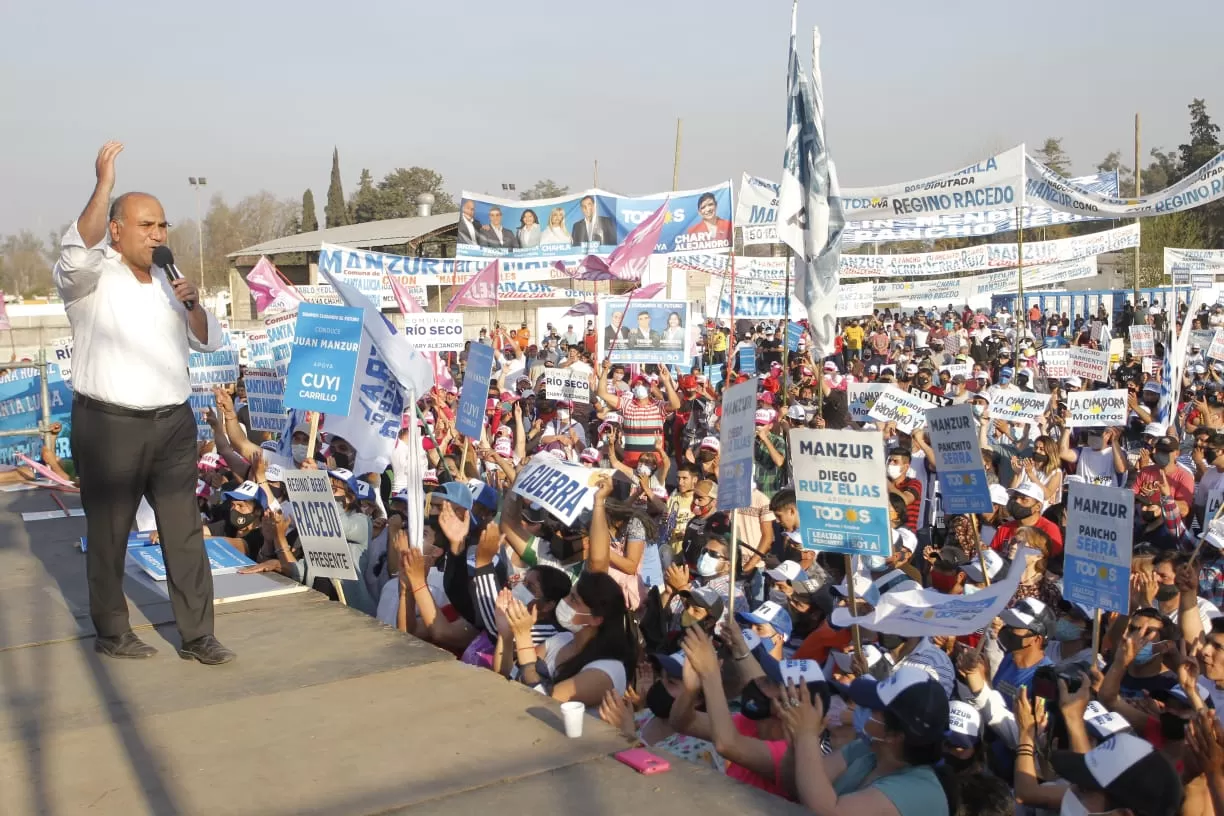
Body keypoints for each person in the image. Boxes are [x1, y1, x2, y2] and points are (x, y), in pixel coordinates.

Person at [55, 142, 233, 664]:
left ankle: (198, 635)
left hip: (172, 424)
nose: (158, 235)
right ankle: (112, 631)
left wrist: (194, 304)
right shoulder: (89, 277)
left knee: (183, 533)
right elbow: (74, 250)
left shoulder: (168, 279)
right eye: (147, 225)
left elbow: (209, 340)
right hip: (110, 424)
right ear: (117, 230)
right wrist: (105, 185)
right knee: (109, 534)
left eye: (163, 226)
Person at [782, 667, 955, 816]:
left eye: (873, 708)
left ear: (895, 736)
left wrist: (807, 735)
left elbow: (828, 812)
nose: (861, 709)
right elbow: (801, 787)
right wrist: (797, 744)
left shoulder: (921, 792)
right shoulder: (868, 750)